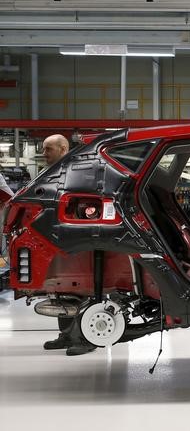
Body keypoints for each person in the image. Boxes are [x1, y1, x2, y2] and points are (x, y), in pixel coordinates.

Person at [40, 135, 97, 356]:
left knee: (84, 288)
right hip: (59, 239)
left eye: (48, 149)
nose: (44, 153)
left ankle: (85, 337)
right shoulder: (52, 172)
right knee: (62, 288)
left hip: (81, 239)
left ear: (63, 148)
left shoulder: (79, 170)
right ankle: (66, 334)